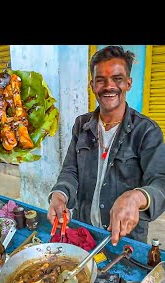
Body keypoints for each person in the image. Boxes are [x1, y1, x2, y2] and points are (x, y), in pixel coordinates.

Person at [48, 45, 165, 246]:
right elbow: (70, 171)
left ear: (128, 83)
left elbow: (160, 183)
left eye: (117, 79)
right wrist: (59, 194)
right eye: (100, 80)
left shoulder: (146, 131)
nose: (108, 86)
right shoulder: (81, 125)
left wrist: (136, 197)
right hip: (84, 230)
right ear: (92, 85)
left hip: (125, 240)